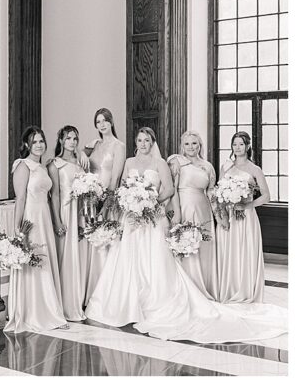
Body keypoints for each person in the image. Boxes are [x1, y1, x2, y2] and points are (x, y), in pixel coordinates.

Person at [86, 128, 287, 343]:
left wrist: (219, 216)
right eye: (139, 140)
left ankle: (206, 289)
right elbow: (127, 186)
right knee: (134, 259)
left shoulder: (200, 165)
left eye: (147, 140)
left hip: (191, 210)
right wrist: (134, 202)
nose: (143, 144)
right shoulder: (165, 162)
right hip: (137, 216)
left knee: (191, 252)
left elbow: (205, 192)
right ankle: (128, 300)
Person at [4, 126, 67, 333]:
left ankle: (48, 308)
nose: (39, 145)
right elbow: (20, 198)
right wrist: (18, 230)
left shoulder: (43, 167)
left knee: (44, 260)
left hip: (44, 217)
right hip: (31, 218)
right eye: (35, 142)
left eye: (41, 141)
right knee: (33, 260)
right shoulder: (23, 166)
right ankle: (33, 311)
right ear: (26, 145)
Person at [216, 131, 271, 304]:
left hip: (247, 217)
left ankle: (246, 289)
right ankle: (230, 288)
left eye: (241, 144)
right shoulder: (226, 167)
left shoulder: (255, 169)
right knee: (229, 252)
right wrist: (222, 215)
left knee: (246, 251)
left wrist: (247, 205)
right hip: (230, 216)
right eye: (234, 144)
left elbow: (266, 196)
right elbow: (218, 193)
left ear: (247, 146)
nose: (237, 147)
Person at [166, 131, 217, 300]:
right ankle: (186, 290)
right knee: (185, 245)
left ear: (200, 145)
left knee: (202, 247)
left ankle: (204, 286)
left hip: (203, 209)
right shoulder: (177, 161)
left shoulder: (207, 166)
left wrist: (218, 215)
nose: (191, 147)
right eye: (187, 144)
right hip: (184, 206)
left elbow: (211, 192)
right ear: (182, 146)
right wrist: (177, 213)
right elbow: (173, 189)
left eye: (194, 143)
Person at [83, 108, 125, 306]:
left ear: (111, 122)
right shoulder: (94, 145)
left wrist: (106, 201)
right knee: (91, 242)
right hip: (90, 199)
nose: (102, 124)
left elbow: (115, 177)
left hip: (107, 200)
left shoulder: (119, 146)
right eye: (98, 121)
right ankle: (90, 289)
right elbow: (82, 167)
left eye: (105, 120)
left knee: (106, 242)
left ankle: (107, 293)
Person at [47, 125, 89, 321]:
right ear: (61, 141)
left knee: (78, 256)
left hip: (79, 212)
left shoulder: (81, 163)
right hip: (65, 211)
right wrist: (57, 220)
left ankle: (77, 299)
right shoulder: (55, 164)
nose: (72, 141)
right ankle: (63, 304)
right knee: (65, 256)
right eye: (69, 138)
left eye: (75, 138)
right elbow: (54, 195)